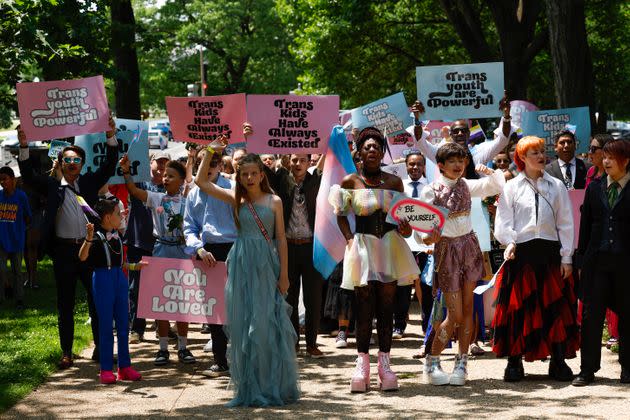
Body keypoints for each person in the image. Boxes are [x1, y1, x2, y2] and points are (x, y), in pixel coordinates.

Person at [195, 141, 299, 407]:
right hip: (241, 262)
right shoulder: (235, 198)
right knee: (244, 325)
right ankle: (250, 386)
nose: (250, 178)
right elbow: (201, 183)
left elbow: (281, 239)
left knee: (266, 324)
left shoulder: (274, 200)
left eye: (254, 173)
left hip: (266, 264)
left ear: (262, 174)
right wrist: (210, 152)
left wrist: (284, 274)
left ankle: (272, 383)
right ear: (239, 176)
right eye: (244, 174)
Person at [17, 117, 117, 369]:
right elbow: (28, 175)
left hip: (89, 249)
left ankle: (100, 348)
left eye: (76, 160)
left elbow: (109, 164)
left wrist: (110, 136)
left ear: (82, 164)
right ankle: (67, 352)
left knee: (97, 301)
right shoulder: (52, 187)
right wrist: (24, 144)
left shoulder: (90, 183)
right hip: (62, 252)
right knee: (65, 303)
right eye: (68, 160)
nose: (72, 163)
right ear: (61, 163)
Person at [330, 126, 419, 393]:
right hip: (363, 247)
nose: (372, 150)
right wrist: (348, 238)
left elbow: (406, 219)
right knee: (364, 305)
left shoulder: (395, 182)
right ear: (359, 152)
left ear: (382, 152)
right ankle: (362, 365)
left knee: (387, 306)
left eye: (377, 147)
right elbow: (340, 213)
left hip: (391, 245)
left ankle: (385, 364)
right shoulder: (349, 182)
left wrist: (406, 229)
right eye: (367, 147)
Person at [493, 136, 579, 382]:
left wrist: (567, 258)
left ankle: (558, 361)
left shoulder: (556, 186)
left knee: (555, 307)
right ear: (521, 158)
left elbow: (566, 223)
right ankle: (514, 362)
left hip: (550, 253)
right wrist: (508, 241)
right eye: (534, 153)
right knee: (518, 309)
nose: (541, 156)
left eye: (542, 151)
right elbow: (503, 222)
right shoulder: (511, 187)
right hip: (521, 254)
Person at [419, 142, 505, 386]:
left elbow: (497, 185)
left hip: (469, 247)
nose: (458, 165)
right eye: (452, 161)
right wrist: (427, 237)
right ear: (441, 166)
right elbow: (422, 229)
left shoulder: (468, 185)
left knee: (468, 310)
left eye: (461, 161)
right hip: (446, 251)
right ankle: (432, 361)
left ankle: (461, 363)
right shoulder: (430, 190)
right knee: (454, 314)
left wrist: (488, 171)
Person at [243, 123, 326, 357]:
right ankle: (292, 342)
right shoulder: (280, 179)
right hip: (287, 248)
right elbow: (258, 166)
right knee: (288, 295)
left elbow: (334, 163)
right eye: (294, 159)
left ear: (309, 161)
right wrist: (251, 140)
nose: (297, 163)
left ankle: (311, 343)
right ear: (288, 161)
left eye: (302, 159)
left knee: (313, 298)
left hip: (312, 248)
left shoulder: (317, 179)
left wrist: (332, 141)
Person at [120, 155, 197, 366]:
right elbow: (134, 191)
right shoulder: (156, 198)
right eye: (164, 175)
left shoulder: (189, 201)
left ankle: (183, 347)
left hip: (182, 253)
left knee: (181, 303)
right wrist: (127, 172)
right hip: (161, 251)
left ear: (181, 180)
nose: (165, 178)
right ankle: (163, 349)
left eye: (171, 176)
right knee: (162, 303)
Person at [573, 138, 630, 386]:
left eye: (611, 157)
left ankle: (627, 368)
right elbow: (585, 227)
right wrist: (579, 261)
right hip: (596, 263)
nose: (605, 161)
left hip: (626, 264)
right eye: (603, 156)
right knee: (590, 317)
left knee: (628, 316)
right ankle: (587, 369)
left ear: (626, 161)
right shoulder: (594, 188)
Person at [78, 199, 143, 384]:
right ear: (107, 217)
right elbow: (82, 257)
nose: (121, 215)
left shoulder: (117, 236)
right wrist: (88, 237)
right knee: (106, 326)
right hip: (102, 280)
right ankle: (106, 369)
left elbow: (121, 263)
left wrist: (134, 266)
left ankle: (125, 367)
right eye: (117, 213)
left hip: (119, 279)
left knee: (124, 325)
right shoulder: (96, 237)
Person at [184, 148, 235, 378]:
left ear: (221, 165)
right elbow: (189, 226)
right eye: (205, 162)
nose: (210, 166)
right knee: (214, 308)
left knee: (239, 305)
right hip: (209, 252)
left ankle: (242, 357)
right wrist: (198, 248)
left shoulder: (231, 187)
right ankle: (220, 360)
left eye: (214, 162)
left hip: (234, 249)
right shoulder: (193, 194)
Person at [125, 150, 169, 344]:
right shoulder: (141, 183)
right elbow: (130, 187)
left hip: (162, 245)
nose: (161, 166)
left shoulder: (171, 187)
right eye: (158, 162)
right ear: (150, 163)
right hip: (138, 243)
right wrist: (126, 171)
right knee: (136, 288)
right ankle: (137, 329)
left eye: (165, 163)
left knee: (163, 288)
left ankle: (163, 328)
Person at [410, 95, 513, 175]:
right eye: (456, 131)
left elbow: (503, 139)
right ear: (451, 134)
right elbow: (420, 142)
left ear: (469, 134)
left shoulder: (480, 152)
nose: (460, 133)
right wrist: (418, 120)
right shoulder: (441, 154)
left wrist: (506, 116)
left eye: (463, 131)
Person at [394, 151, 428, 339]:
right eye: (411, 164)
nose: (415, 168)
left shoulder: (431, 188)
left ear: (424, 166)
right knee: (403, 285)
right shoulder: (399, 188)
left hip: (424, 244)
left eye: (418, 164)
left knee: (425, 284)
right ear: (406, 166)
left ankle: (426, 324)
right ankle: (399, 325)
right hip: (403, 242)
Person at [0, 166, 31, 309]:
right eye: (0, 180)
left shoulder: (21, 196)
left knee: (17, 271)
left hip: (17, 239)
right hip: (2, 240)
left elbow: (27, 217)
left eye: (5, 179)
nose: (2, 182)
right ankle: (2, 298)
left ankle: (19, 300)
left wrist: (22, 230)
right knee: (1, 270)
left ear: (12, 180)